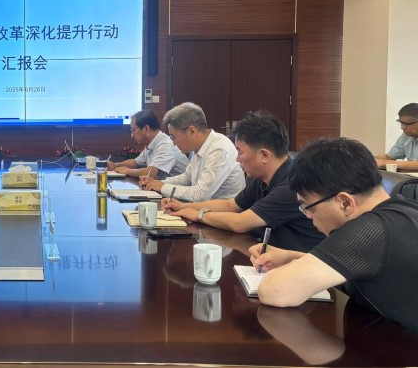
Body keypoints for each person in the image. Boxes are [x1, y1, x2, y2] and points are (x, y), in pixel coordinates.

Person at [250, 137, 418, 335]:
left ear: (345, 203)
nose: (308, 217)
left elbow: (274, 292)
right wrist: (292, 257)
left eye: (308, 207)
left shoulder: (369, 230)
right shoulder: (402, 209)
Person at [162, 111, 324, 252]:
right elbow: (230, 205)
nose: (237, 159)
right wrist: (182, 206)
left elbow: (240, 222)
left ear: (264, 155)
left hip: (301, 265)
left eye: (240, 152)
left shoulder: (291, 186)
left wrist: (198, 215)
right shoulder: (259, 178)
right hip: (271, 254)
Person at [141, 102, 245, 201]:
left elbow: (201, 194)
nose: (173, 143)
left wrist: (163, 187)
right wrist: (157, 183)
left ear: (191, 131)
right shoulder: (198, 146)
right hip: (203, 208)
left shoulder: (219, 149)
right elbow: (187, 178)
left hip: (223, 211)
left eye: (173, 137)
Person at [106, 110, 188, 179]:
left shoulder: (165, 144)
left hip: (178, 191)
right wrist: (115, 165)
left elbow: (151, 173)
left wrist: (127, 171)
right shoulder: (151, 143)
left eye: (133, 130)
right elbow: (136, 162)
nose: (132, 135)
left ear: (146, 128)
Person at [374, 103, 418, 171]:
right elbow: (388, 157)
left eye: (406, 124)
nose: (402, 127)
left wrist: (383, 163)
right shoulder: (406, 136)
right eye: (401, 123)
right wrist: (366, 159)